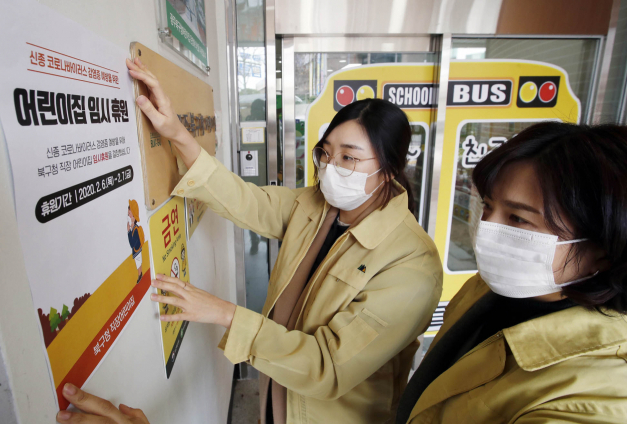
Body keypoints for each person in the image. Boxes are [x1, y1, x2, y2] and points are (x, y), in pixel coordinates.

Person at [54, 57, 443, 424]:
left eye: (349, 158)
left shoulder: (411, 264)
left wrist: (225, 313)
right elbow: (247, 202)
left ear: (391, 168)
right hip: (278, 396)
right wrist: (178, 135)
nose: (329, 168)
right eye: (326, 153)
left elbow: (328, 366)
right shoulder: (316, 206)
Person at [396, 122, 627, 423]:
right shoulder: (487, 287)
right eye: (488, 206)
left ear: (604, 246)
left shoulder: (597, 388)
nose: (488, 230)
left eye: (518, 218)